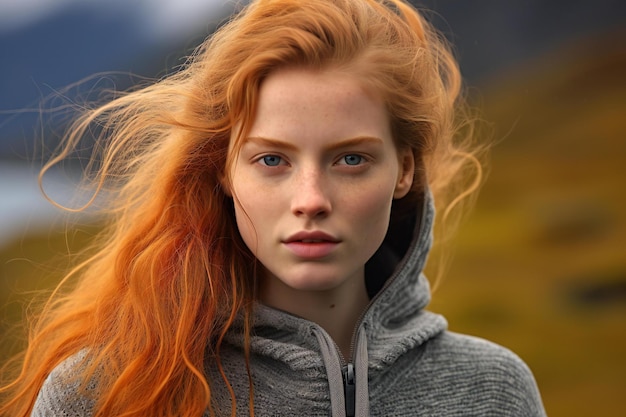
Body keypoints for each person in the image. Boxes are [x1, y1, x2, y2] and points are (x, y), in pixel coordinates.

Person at [0, 0, 547, 416]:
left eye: (351, 158)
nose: (311, 199)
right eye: (271, 161)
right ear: (223, 170)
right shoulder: (102, 392)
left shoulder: (494, 390)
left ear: (404, 169)